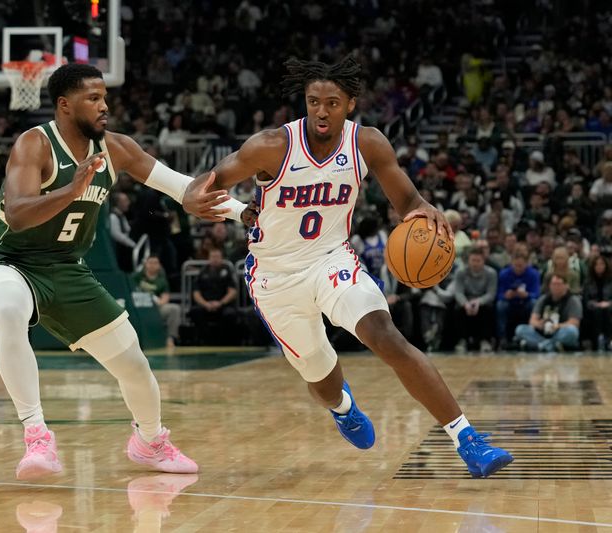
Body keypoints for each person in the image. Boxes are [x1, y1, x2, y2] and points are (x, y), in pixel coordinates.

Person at [183, 57, 513, 477]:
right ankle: (343, 407)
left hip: (331, 260)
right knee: (321, 380)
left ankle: (468, 440)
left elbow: (408, 202)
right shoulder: (269, 145)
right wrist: (194, 194)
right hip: (274, 276)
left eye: (332, 103)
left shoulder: (367, 143)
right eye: (314, 102)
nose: (322, 111)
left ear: (350, 104)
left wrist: (423, 208)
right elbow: (208, 180)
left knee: (386, 336)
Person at [0, 64, 249, 480]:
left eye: (104, 98)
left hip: (66, 268)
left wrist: (245, 213)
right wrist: (70, 190)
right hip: (8, 261)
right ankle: (37, 437)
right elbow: (17, 213)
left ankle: (150, 442)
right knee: (10, 311)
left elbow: (182, 187)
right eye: (93, 99)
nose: (104, 107)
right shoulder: (35, 145)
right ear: (65, 105)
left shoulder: (117, 148)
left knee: (133, 362)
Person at [514, 274, 582, 352]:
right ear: (549, 286)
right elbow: (532, 320)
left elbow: (574, 323)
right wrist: (540, 324)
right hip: (542, 332)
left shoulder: (573, 300)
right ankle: (550, 345)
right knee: (520, 329)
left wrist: (557, 326)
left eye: (559, 284)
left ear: (566, 286)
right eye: (553, 284)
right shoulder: (543, 299)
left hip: (560, 331)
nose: (556, 287)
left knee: (572, 331)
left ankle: (541, 345)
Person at [188, 247, 238, 345]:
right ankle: (205, 340)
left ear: (221, 258)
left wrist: (221, 303)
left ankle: (223, 341)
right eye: (212, 256)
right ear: (209, 258)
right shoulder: (203, 272)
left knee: (230, 314)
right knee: (194, 312)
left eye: (217, 256)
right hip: (206, 304)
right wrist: (205, 304)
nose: (215, 259)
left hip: (224, 305)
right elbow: (196, 293)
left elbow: (232, 292)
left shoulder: (227, 271)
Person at [453, 248, 498, 352]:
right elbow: (458, 292)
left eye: (478, 261)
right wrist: (465, 304)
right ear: (468, 260)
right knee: (457, 309)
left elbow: (491, 294)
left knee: (488, 309)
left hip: (482, 301)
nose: (475, 263)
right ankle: (462, 341)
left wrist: (478, 302)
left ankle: (485, 340)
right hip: (466, 300)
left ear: (483, 261)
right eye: (473, 260)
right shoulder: (460, 272)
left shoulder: (491, 273)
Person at [131, 255, 181, 348]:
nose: (152, 265)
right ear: (146, 264)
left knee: (175, 309)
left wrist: (158, 303)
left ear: (159, 265)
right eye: (150, 262)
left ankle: (170, 339)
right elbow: (129, 290)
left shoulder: (162, 280)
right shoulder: (136, 277)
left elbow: (165, 297)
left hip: (155, 308)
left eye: (155, 263)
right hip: (138, 309)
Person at [583, 255, 612, 350]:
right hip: (593, 309)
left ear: (606, 266)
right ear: (593, 267)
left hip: (609, 307)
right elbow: (586, 300)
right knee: (597, 311)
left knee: (606, 310)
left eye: (601, 264)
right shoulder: (588, 282)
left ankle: (608, 340)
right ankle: (597, 340)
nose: (599, 266)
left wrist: (608, 303)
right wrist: (595, 304)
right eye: (597, 264)